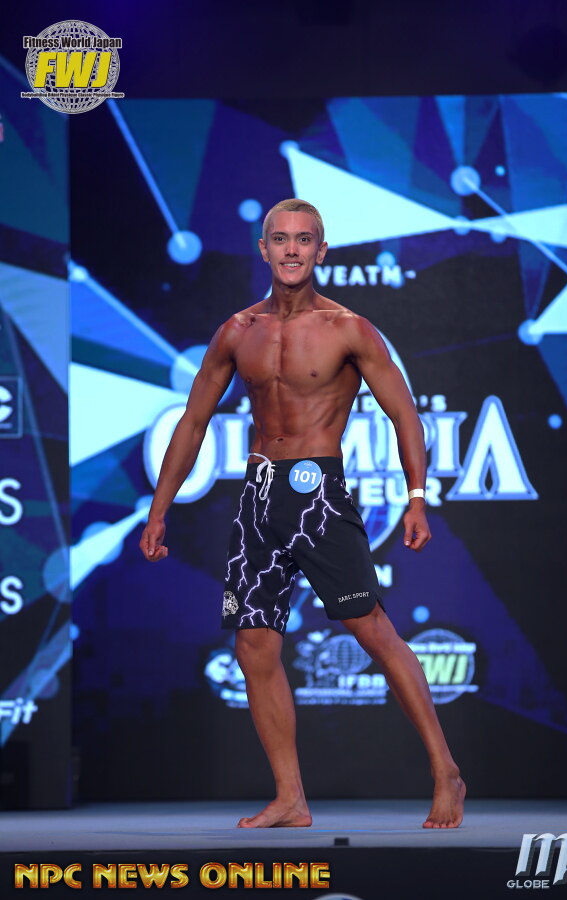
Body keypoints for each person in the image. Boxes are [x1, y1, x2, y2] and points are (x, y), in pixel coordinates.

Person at [139, 198, 466, 829]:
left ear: (321, 250)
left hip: (319, 497)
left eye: (304, 239)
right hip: (258, 496)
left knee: (372, 631)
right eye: (281, 239)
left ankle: (444, 770)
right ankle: (290, 797)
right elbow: (193, 422)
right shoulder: (237, 331)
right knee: (253, 644)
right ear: (263, 249)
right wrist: (159, 510)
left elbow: (405, 415)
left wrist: (417, 498)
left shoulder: (349, 329)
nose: (292, 250)